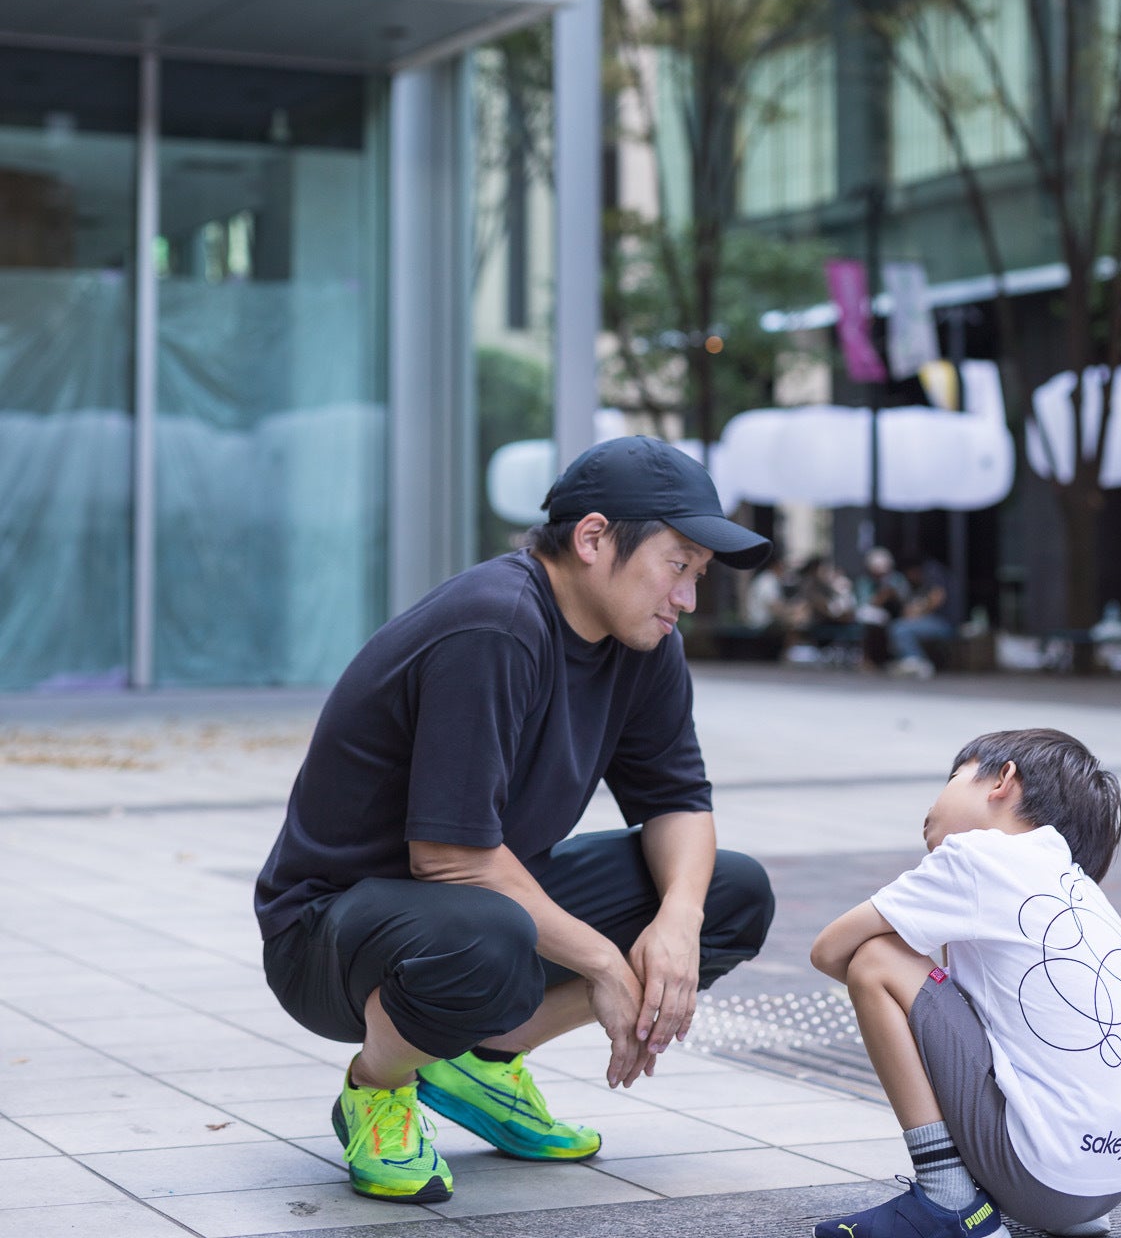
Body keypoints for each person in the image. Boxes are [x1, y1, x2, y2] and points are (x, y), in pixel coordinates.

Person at [255, 436, 775, 1207]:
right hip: (330, 933)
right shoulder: (494, 625)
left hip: (476, 905)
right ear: (593, 539)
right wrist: (605, 965)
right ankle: (379, 1085)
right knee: (489, 932)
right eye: (678, 564)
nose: (687, 597)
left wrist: (678, 922)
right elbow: (449, 859)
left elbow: (677, 802)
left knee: (729, 891)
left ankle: (478, 1063)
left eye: (697, 574)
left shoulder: (642, 641)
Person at [809, 727, 1121, 1238]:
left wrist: (913, 1008)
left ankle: (948, 1199)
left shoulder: (977, 857)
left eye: (954, 777)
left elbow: (828, 950)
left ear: (1002, 781)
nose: (932, 803)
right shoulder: (1077, 884)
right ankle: (1061, 1212)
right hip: (1116, 1177)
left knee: (877, 960)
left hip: (1044, 1177)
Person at [890, 555, 956, 679]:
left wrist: (917, 612)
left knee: (900, 629)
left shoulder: (932, 570)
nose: (910, 579)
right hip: (936, 622)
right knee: (900, 625)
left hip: (944, 623)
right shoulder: (923, 582)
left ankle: (918, 662)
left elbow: (937, 598)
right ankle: (910, 660)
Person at [858, 546, 910, 669]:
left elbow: (906, 601)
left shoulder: (898, 579)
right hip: (876, 619)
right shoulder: (865, 581)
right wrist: (883, 596)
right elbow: (865, 604)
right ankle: (869, 658)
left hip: (899, 615)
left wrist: (893, 595)